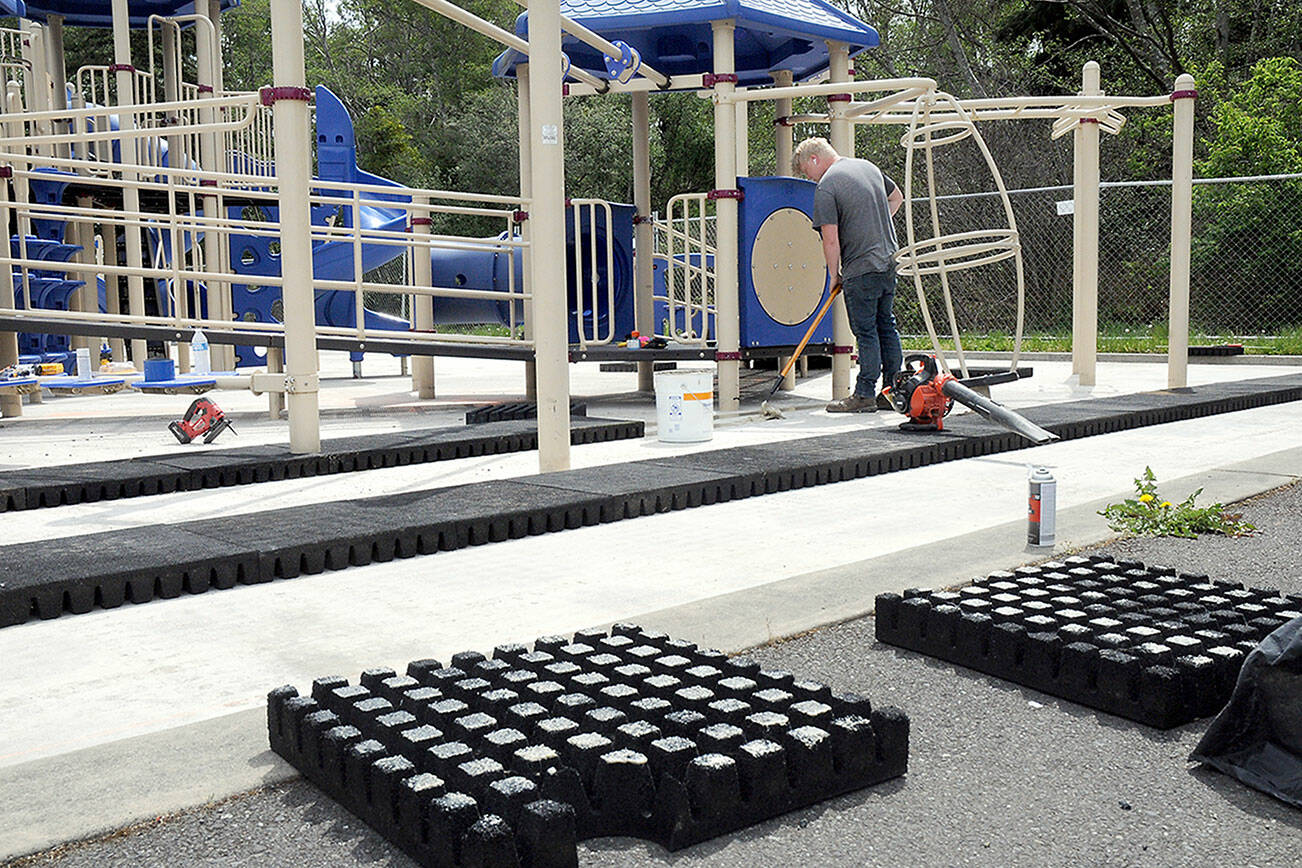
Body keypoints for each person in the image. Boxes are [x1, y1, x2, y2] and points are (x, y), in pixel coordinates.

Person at [794, 137, 905, 413]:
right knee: (886, 326)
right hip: (889, 261)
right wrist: (875, 224)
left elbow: (830, 240)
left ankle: (865, 394)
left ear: (814, 159)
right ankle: (893, 391)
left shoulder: (828, 186)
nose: (809, 178)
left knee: (866, 331)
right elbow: (897, 197)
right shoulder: (868, 167)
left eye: (806, 172)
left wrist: (834, 275)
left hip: (860, 267)